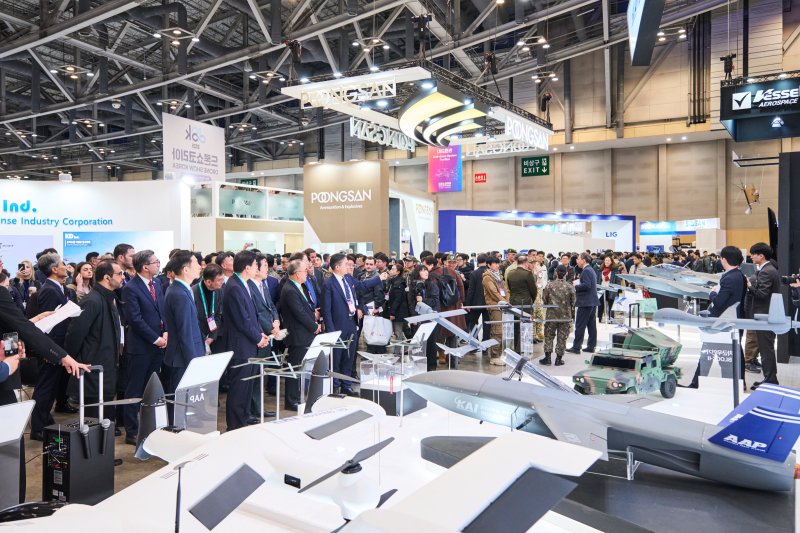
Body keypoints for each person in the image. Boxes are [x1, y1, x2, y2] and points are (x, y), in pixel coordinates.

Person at [64, 261, 124, 420]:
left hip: (106, 369)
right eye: (119, 274)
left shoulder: (108, 298)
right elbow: (75, 334)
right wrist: (72, 359)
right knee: (94, 421)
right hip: (93, 370)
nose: (123, 277)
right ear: (107, 277)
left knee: (106, 418)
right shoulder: (92, 300)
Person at [322, 253, 387, 394]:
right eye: (346, 264)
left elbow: (362, 285)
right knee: (337, 357)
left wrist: (379, 278)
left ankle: (347, 385)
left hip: (351, 322)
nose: (349, 266)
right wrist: (331, 331)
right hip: (337, 325)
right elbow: (326, 310)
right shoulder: (328, 284)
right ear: (337, 267)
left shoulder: (348, 278)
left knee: (349, 356)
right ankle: (335, 386)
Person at [684, 246, 747, 389]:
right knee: (735, 353)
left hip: (721, 323)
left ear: (724, 259)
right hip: (732, 321)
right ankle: (738, 383)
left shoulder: (729, 278)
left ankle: (697, 383)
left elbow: (718, 302)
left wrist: (712, 293)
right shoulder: (740, 276)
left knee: (708, 353)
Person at [30, 253, 78, 441]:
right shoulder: (49, 290)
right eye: (62, 264)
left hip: (58, 347)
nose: (66, 267)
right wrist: (49, 351)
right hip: (52, 348)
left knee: (51, 387)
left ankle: (44, 420)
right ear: (54, 269)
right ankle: (38, 427)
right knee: (45, 387)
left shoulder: (57, 288)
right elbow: (49, 324)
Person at [121, 250, 167, 445]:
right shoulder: (131, 288)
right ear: (145, 266)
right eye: (155, 262)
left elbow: (162, 311)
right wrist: (156, 338)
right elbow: (135, 319)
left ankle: (151, 426)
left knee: (152, 388)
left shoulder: (157, 284)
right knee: (135, 389)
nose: (159, 264)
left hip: (159, 344)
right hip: (140, 347)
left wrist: (166, 332)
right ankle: (132, 431)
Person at [222, 251, 271, 431]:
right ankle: (235, 426)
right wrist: (258, 338)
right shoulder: (234, 286)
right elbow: (242, 320)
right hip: (240, 345)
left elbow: (252, 315)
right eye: (256, 265)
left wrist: (260, 334)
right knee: (239, 387)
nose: (257, 268)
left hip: (248, 343)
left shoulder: (243, 284)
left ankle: (243, 420)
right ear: (247, 267)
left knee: (247, 386)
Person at [162, 251, 205, 405]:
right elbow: (185, 332)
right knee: (180, 403)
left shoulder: (183, 289)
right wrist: (193, 362)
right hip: (182, 358)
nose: (200, 267)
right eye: (196, 263)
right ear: (186, 269)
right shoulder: (179, 293)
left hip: (184, 355)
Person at [279, 258, 320, 409]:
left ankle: (297, 397)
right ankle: (291, 401)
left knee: (300, 367)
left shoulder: (298, 286)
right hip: (298, 335)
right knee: (294, 368)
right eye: (304, 271)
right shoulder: (290, 289)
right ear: (297, 273)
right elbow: (299, 313)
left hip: (304, 333)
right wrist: (314, 326)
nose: (307, 273)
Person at [247, 253, 281, 421]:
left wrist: (276, 321)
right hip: (259, 336)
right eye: (265, 266)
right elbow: (256, 314)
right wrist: (270, 329)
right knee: (254, 375)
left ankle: (258, 407)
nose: (268, 269)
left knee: (261, 374)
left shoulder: (263, 285)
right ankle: (252, 410)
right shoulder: (249, 287)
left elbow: (271, 307)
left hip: (268, 334)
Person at [746, 243, 781, 389]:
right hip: (767, 314)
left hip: (765, 315)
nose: (751, 256)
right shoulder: (770, 269)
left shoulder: (766, 271)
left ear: (761, 256)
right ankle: (770, 378)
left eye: (753, 254)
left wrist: (750, 286)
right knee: (767, 349)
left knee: (766, 349)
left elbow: (762, 294)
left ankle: (770, 380)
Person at [540, 265, 576, 366]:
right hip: (565, 317)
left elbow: (545, 300)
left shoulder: (549, 285)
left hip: (551, 316)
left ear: (556, 272)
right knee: (562, 338)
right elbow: (573, 303)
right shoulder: (570, 287)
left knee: (549, 336)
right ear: (566, 273)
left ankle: (547, 358)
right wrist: (572, 316)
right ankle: (558, 359)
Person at [566, 253, 599, 354]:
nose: (577, 261)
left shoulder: (586, 270)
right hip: (591, 301)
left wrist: (575, 286)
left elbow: (587, 285)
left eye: (578, 259)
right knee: (591, 326)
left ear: (584, 260)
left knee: (580, 325)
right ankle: (591, 346)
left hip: (585, 302)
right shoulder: (590, 269)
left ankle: (576, 347)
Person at [409, 264, 440, 371]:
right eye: (422, 270)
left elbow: (435, 301)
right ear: (417, 273)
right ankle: (418, 366)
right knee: (418, 343)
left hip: (430, 318)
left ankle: (431, 367)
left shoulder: (432, 285)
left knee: (431, 343)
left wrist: (423, 300)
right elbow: (411, 303)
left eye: (426, 270)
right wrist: (413, 316)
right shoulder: (413, 285)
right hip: (418, 319)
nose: (425, 272)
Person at [506, 255, 537, 353]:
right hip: (525, 303)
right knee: (525, 326)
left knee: (515, 326)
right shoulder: (528, 274)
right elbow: (533, 291)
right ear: (526, 263)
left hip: (513, 302)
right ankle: (523, 349)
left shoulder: (510, 273)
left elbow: (509, 287)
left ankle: (516, 349)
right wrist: (531, 300)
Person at [192, 263, 224, 352]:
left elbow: (217, 315)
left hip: (212, 335)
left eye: (222, 279)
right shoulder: (193, 292)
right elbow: (193, 320)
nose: (222, 282)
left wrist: (212, 336)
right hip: (197, 337)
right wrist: (203, 338)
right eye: (219, 280)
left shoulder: (219, 291)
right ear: (209, 282)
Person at [482, 256, 507, 365]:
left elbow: (504, 290)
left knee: (502, 332)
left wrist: (506, 301)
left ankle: (499, 354)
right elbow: (493, 292)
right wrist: (504, 301)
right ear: (489, 265)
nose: (497, 265)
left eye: (498, 263)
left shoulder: (498, 276)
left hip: (503, 306)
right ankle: (494, 356)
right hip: (495, 306)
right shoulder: (487, 277)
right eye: (495, 263)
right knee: (497, 331)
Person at [385, 262, 410, 342]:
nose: (390, 271)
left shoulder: (399, 283)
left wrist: (392, 313)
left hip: (398, 312)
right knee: (397, 332)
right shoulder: (392, 281)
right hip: (395, 310)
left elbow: (397, 299)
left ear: (398, 272)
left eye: (393, 269)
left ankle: (399, 349)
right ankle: (403, 346)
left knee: (398, 332)